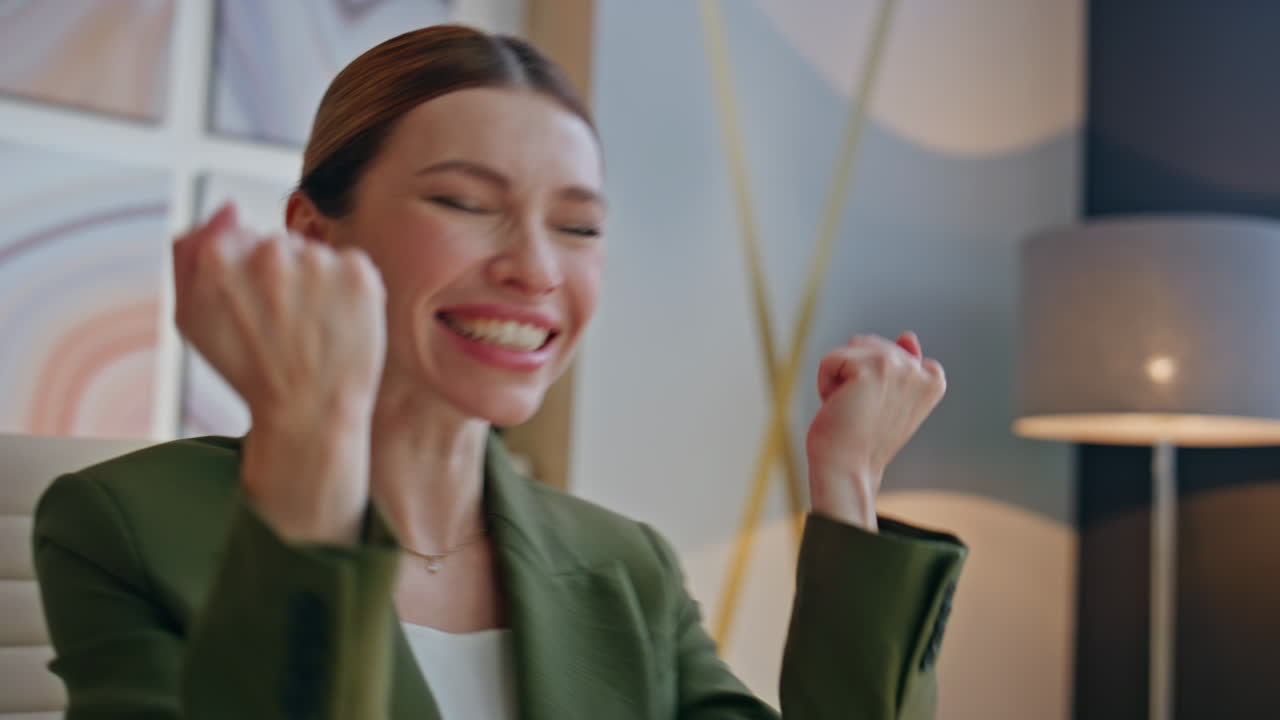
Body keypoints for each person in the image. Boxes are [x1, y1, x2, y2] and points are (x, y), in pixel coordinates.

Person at [32, 25, 966, 720]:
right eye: (465, 202)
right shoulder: (126, 526)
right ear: (315, 235)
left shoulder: (621, 567)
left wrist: (846, 484)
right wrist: (307, 441)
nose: (535, 268)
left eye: (578, 226)